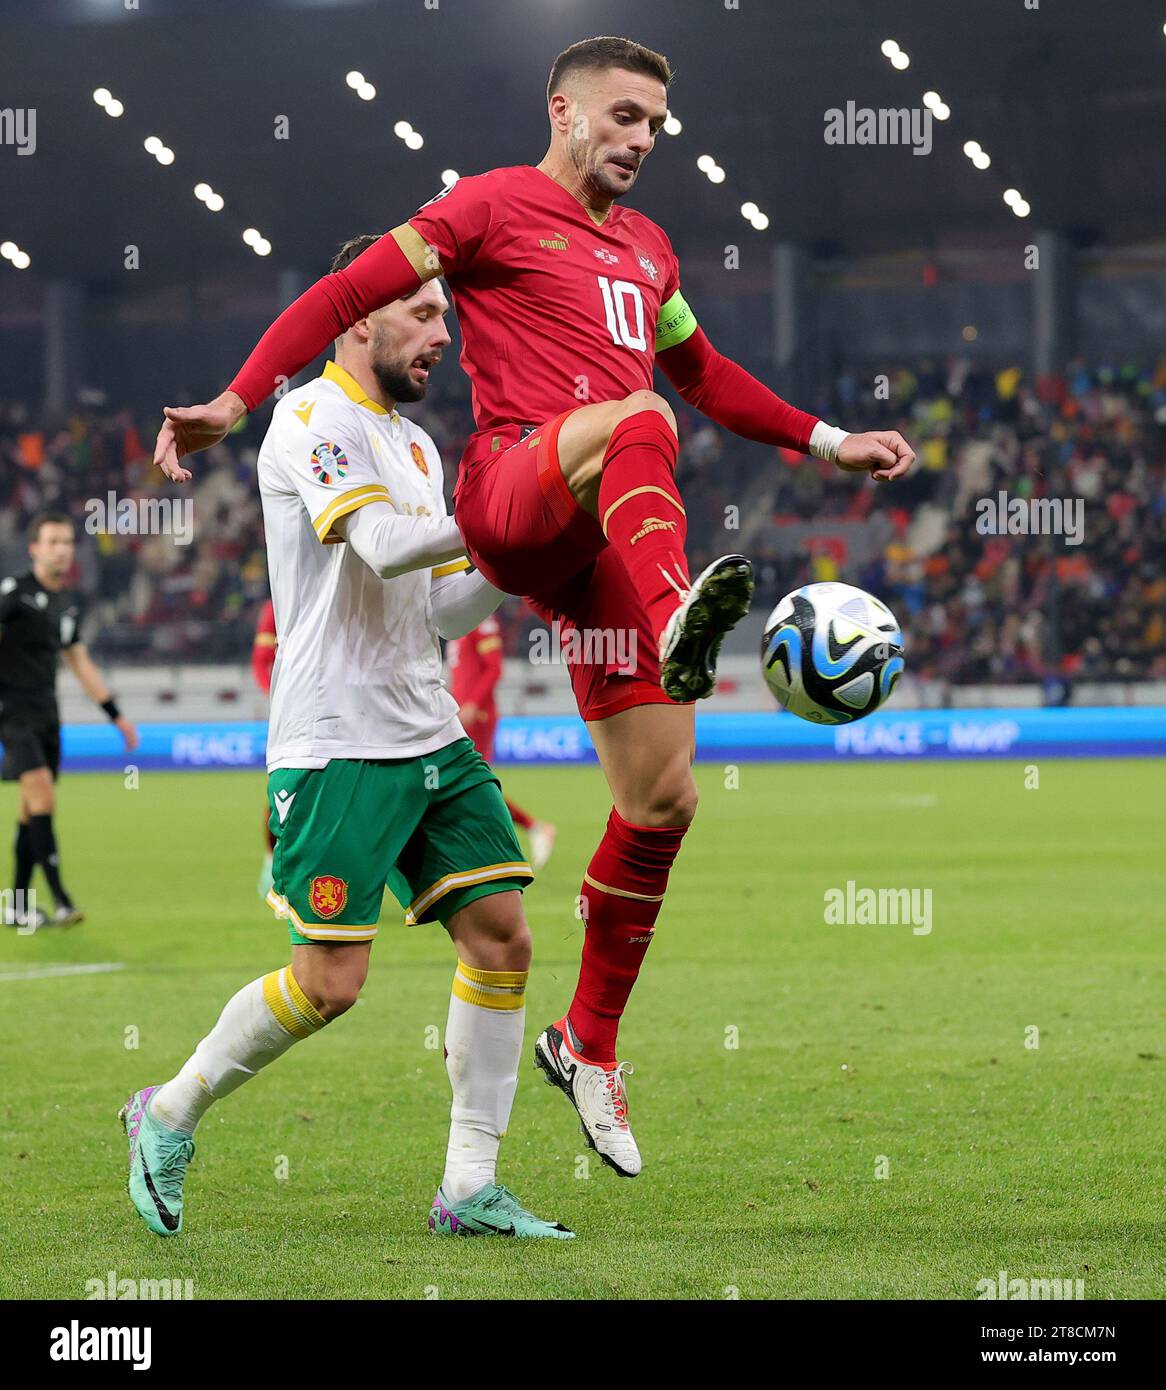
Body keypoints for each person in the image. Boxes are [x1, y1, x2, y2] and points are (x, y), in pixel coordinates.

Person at [151, 35, 915, 1178]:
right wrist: (234, 395)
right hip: (513, 482)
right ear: (562, 110)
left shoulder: (648, 252)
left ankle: (588, 1044)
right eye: (622, 116)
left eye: (654, 123)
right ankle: (677, 618)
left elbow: (707, 373)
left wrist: (825, 440)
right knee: (639, 416)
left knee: (662, 798)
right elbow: (345, 294)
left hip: (597, 524)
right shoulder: (487, 208)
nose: (640, 139)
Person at [121, 245, 572, 1240]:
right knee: (332, 981)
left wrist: (523, 553)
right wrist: (508, 514)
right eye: (420, 312)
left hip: (429, 730)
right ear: (357, 318)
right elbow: (377, 546)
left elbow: (442, 611)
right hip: (335, 742)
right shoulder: (307, 419)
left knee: (501, 933)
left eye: (443, 315)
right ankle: (166, 1111)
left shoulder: (413, 446)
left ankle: (466, 1185)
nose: (442, 334)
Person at [1, 512, 138, 929]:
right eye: (53, 542)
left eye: (66, 542)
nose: (61, 549)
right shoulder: (13, 593)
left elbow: (77, 659)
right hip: (13, 712)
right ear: (35, 549)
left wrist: (115, 714)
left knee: (31, 811)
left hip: (47, 715)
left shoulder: (68, 601)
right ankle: (61, 901)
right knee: (43, 799)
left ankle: (16, 905)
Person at [448, 613, 557, 870]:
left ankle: (527, 832)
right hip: (460, 714)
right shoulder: (454, 617)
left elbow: (495, 667)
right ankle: (528, 831)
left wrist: (473, 703)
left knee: (472, 783)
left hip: (478, 716)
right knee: (465, 784)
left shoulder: (480, 619)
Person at [251, 597, 277, 897]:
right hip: (296, 716)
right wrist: (277, 695)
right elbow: (261, 660)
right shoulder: (277, 604)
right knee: (281, 792)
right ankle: (272, 861)